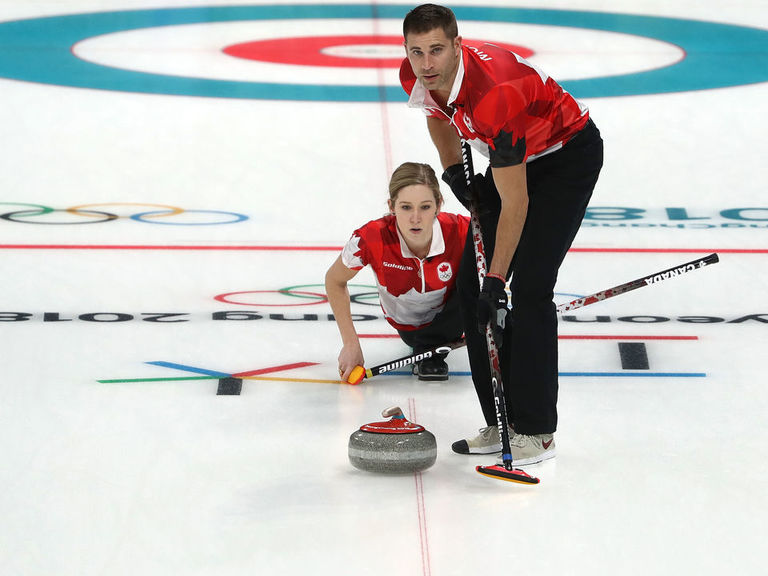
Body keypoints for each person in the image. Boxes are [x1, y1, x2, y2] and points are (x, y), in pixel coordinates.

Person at [400, 4, 604, 465]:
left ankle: (537, 431)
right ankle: (500, 421)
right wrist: (455, 174)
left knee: (529, 286)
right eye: (417, 52)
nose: (426, 64)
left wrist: (498, 279)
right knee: (472, 290)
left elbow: (518, 204)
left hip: (565, 156)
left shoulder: (494, 95)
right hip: (513, 156)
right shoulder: (417, 73)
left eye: (436, 50)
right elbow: (437, 115)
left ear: (457, 45)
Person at [326, 161, 469, 383]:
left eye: (425, 207)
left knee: (483, 270)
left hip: (454, 314)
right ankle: (428, 348)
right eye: (405, 207)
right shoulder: (372, 237)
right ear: (391, 206)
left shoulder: (462, 229)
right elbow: (334, 280)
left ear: (438, 205)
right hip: (409, 328)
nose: (415, 218)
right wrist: (351, 343)